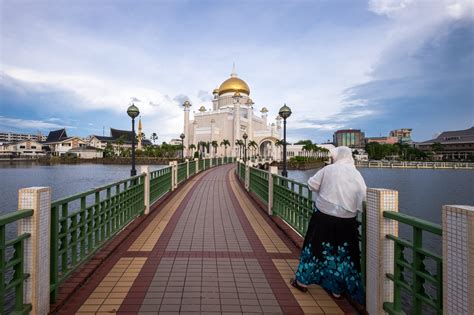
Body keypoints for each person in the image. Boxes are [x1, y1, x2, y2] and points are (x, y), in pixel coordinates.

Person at [290, 146, 366, 305]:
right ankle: (337, 289)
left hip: (323, 218)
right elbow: (363, 198)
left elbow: (312, 185)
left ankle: (302, 282)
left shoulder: (329, 169)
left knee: (314, 248)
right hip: (346, 222)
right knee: (342, 254)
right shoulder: (356, 174)